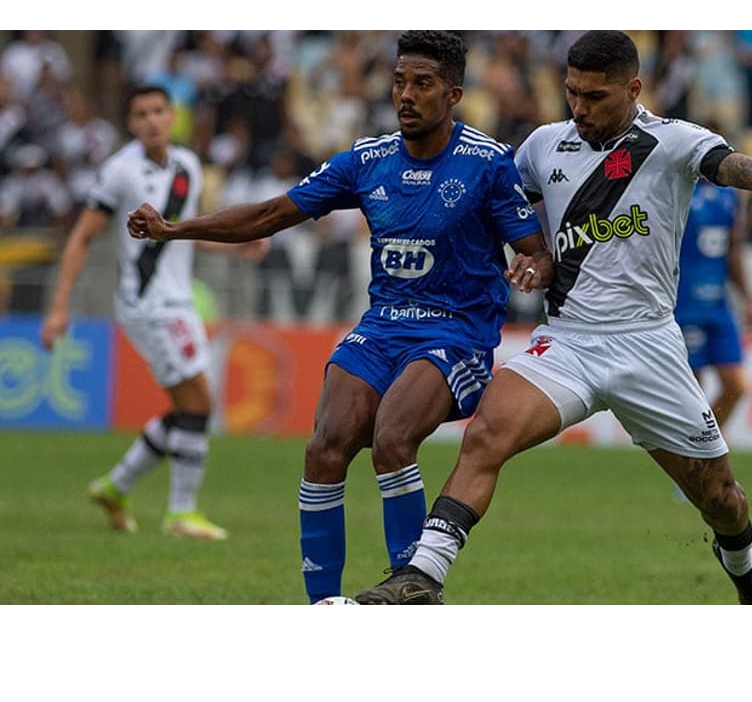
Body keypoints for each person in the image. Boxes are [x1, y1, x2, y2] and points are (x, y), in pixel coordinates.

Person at [355, 30, 752, 606]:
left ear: (633, 89)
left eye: (595, 97)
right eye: (572, 94)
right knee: (487, 434)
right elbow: (494, 209)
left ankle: (746, 570)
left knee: (722, 498)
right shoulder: (542, 146)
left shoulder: (676, 143)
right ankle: (422, 577)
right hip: (568, 344)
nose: (580, 109)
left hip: (649, 348)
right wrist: (529, 259)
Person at [125, 31, 551, 603]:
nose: (406, 94)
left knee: (393, 438)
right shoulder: (367, 160)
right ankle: (322, 605)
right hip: (380, 328)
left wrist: (534, 265)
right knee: (324, 448)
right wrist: (177, 228)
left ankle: (412, 590)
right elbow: (274, 212)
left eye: (422, 84)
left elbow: (534, 247)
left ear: (453, 95)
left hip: (455, 332)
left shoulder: (487, 163)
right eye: (400, 81)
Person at [41, 84, 263, 540]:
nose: (152, 120)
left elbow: (179, 233)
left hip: (180, 301)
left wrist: (234, 246)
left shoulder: (188, 166)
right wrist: (59, 307)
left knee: (188, 407)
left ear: (171, 115)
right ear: (130, 122)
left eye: (159, 111)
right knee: (200, 401)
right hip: (148, 304)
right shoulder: (119, 172)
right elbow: (82, 237)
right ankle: (181, 513)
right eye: (141, 113)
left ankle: (116, 485)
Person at [674, 175, 752, 433]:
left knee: (737, 386)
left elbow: (733, 249)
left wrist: (746, 297)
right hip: (684, 304)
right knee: (692, 390)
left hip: (718, 305)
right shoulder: (678, 188)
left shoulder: (730, 194)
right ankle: (696, 449)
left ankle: (704, 441)